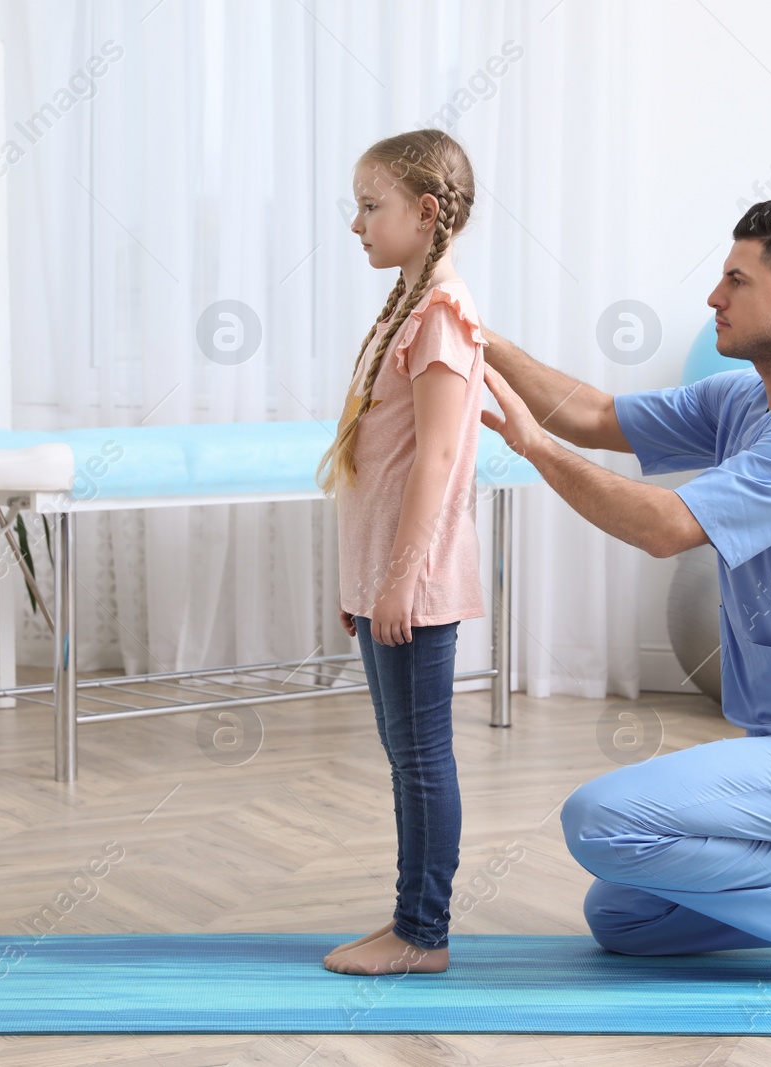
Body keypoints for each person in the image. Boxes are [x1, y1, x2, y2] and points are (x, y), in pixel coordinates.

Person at [479, 199, 771, 992]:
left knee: (601, 821)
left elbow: (665, 526)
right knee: (623, 917)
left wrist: (531, 449)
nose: (713, 298)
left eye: (735, 280)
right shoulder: (742, 401)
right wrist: (478, 337)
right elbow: (594, 413)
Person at [315, 129, 489, 977]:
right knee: (405, 754)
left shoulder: (444, 319)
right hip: (385, 576)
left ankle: (422, 931)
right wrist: (360, 578)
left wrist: (397, 581)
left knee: (421, 758)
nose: (355, 223)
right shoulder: (405, 306)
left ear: (426, 214)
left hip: (412, 584)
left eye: (370, 205)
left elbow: (438, 460)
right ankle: (413, 921)